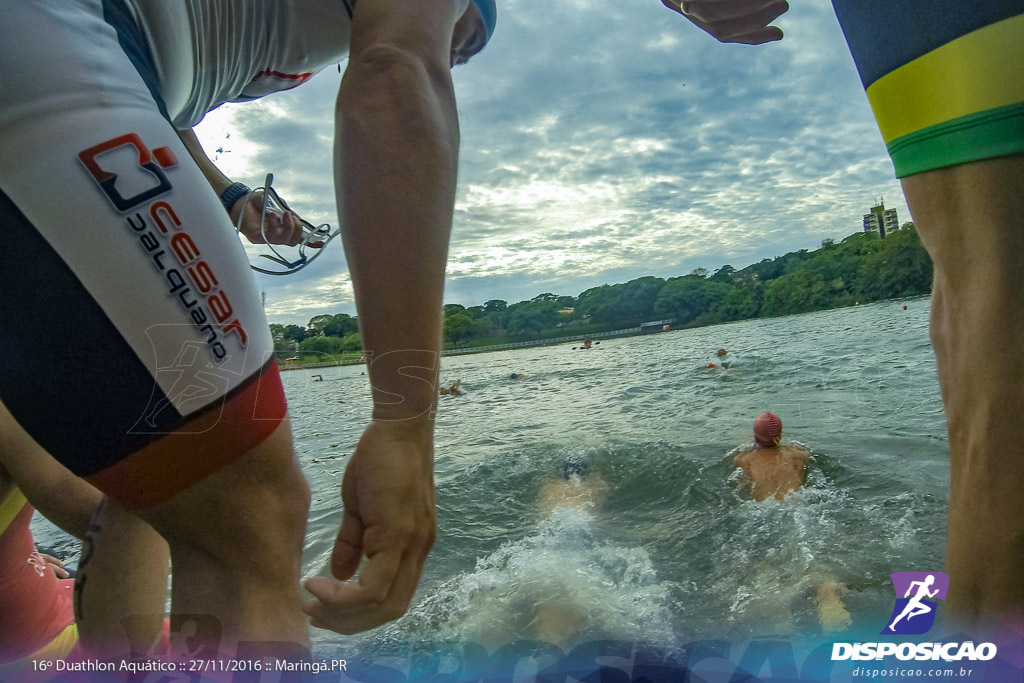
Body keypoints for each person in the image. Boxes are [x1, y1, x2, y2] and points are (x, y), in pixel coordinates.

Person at [0, 0, 498, 654]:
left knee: (173, 465)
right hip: (49, 49)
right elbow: (395, 71)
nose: (460, 50)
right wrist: (404, 425)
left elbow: (159, 103)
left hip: (67, 73)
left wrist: (230, 196)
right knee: (251, 514)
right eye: (470, 36)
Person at [661, 0, 1024, 627]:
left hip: (919, 29)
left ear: (756, 436)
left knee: (989, 297)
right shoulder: (798, 453)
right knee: (996, 294)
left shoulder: (742, 459)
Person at [732, 412, 810, 502]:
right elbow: (806, 452)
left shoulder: (746, 459)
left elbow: (742, 478)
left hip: (762, 506)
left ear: (755, 438)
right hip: (794, 501)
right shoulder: (796, 455)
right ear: (780, 436)